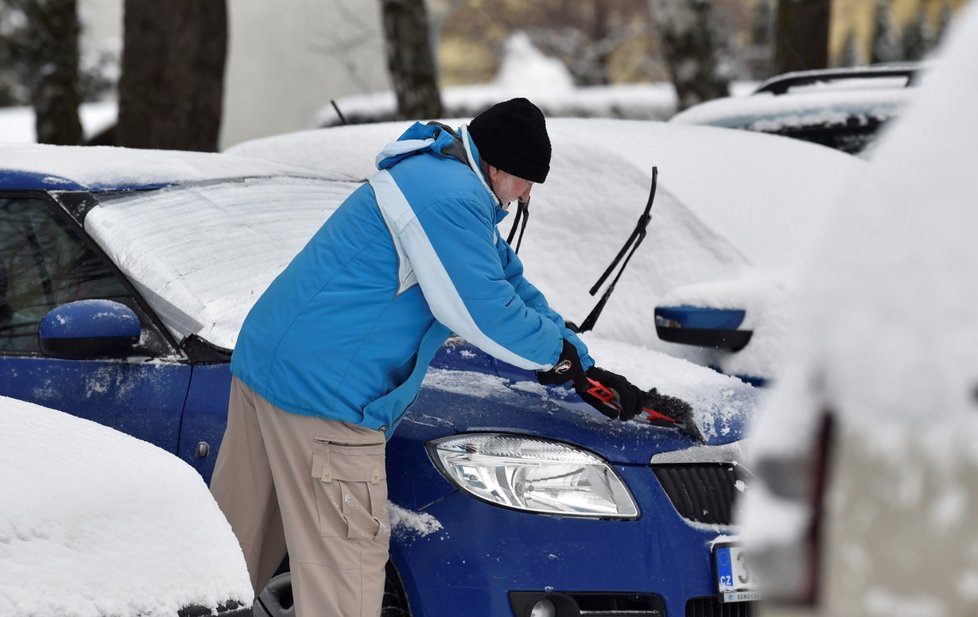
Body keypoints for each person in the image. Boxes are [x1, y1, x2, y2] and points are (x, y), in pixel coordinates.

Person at [211, 98, 662, 616]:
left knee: (231, 555)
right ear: (495, 164)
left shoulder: (436, 174)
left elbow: (510, 284)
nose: (527, 193)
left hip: (269, 368)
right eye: (525, 179)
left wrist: (579, 362)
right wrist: (553, 359)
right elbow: (483, 310)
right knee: (346, 576)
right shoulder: (449, 199)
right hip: (326, 399)